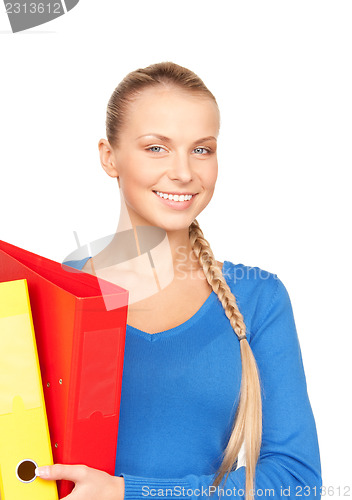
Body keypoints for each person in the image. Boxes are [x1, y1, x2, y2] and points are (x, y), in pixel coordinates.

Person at [36, 61, 322, 500]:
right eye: (156, 148)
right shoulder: (48, 296)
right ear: (108, 157)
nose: (184, 172)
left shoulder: (258, 298)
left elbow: (297, 482)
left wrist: (129, 493)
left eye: (202, 149)